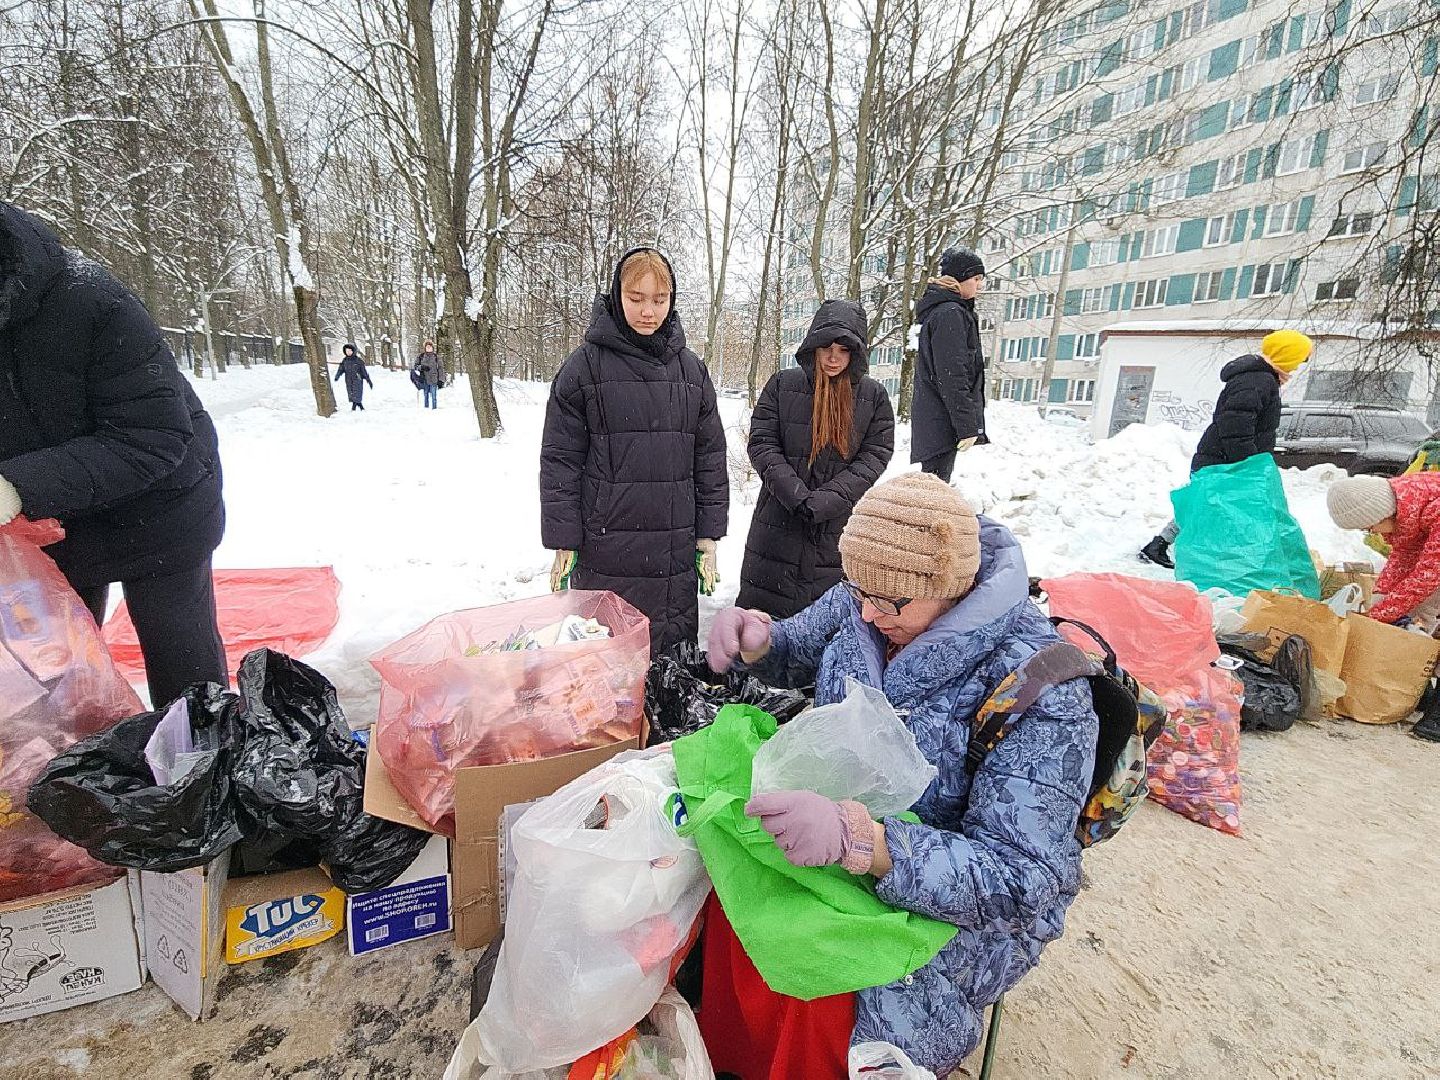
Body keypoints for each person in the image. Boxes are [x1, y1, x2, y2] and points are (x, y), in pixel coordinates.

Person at [703, 472, 1098, 1078]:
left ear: (953, 589)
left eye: (888, 603)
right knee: (727, 895)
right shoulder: (873, 597)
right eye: (857, 589)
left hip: (952, 902)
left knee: (824, 999)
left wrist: (865, 842)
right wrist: (762, 639)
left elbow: (1025, 881)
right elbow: (804, 644)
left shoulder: (1040, 691)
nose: (865, 611)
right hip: (837, 844)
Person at [0, 201, 226, 707]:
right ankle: (81, 770)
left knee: (182, 660)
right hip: (58, 519)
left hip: (163, 507)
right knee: (63, 672)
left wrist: (15, 486)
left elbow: (151, 437)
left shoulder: (94, 304)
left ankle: (203, 767)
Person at [540, 247, 728, 656]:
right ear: (616, 296)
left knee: (666, 662)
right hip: (605, 543)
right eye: (636, 298)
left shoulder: (691, 372)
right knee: (606, 663)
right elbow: (560, 460)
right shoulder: (584, 368)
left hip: (671, 549)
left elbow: (710, 458)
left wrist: (708, 536)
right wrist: (564, 539)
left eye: (659, 300)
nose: (648, 311)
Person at [736, 299, 894, 619]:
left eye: (844, 349)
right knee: (762, 625)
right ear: (813, 347)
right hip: (778, 523)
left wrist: (828, 498)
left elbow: (875, 454)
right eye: (826, 347)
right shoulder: (784, 384)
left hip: (837, 527)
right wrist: (793, 493)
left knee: (823, 625)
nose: (833, 357)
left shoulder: (872, 397)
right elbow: (763, 442)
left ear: (856, 354)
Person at [1140, 329, 1313, 568]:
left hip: (1225, 457)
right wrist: (1247, 463)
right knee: (1205, 504)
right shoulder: (1258, 380)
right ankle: (1164, 546)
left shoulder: (1260, 378)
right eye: (1298, 359)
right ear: (1287, 356)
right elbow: (1236, 425)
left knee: (1208, 504)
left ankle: (1167, 546)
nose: (1297, 367)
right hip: (1225, 460)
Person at [910, 246, 988, 483]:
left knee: (934, 490)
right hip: (941, 420)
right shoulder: (950, 314)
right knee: (934, 494)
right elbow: (952, 374)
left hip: (938, 418)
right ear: (961, 278)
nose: (980, 285)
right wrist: (967, 426)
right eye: (976, 279)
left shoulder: (947, 311)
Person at [334, 343, 373, 411]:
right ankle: (359, 406)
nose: (348, 352)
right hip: (348, 380)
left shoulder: (358, 361)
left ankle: (355, 407)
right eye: (347, 351)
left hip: (357, 379)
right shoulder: (345, 361)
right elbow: (341, 369)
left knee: (357, 393)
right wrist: (337, 376)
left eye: (350, 351)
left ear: (353, 351)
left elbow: (364, 371)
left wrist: (368, 380)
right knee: (351, 393)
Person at [412, 339, 443, 409]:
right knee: (425, 395)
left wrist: (441, 380)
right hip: (424, 379)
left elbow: (441, 368)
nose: (428, 348)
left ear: (432, 347)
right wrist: (421, 367)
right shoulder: (421, 356)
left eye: (430, 346)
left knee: (434, 396)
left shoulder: (436, 357)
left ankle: (434, 409)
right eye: (427, 347)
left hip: (434, 379)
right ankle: (426, 409)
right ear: (425, 348)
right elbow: (415, 366)